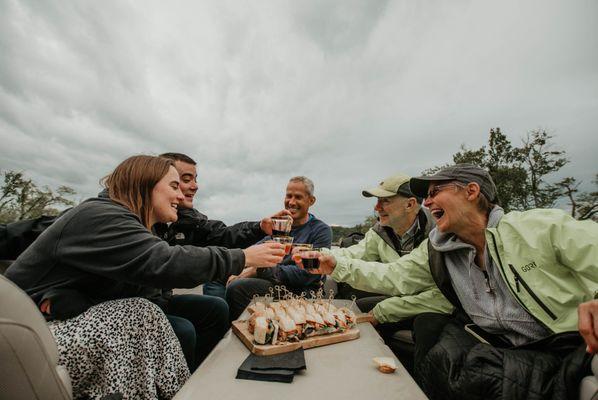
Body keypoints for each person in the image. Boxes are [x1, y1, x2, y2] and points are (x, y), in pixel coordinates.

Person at [299, 164, 598, 400]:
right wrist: (335, 263)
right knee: (441, 359)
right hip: (495, 342)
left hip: (562, 342)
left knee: (458, 353)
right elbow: (393, 276)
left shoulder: (536, 228)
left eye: (435, 192)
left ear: (471, 191)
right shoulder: (438, 248)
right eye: (425, 195)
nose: (427, 201)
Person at [5, 155, 285, 394]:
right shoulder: (100, 216)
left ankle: (189, 388)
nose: (181, 195)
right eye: (174, 185)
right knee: (141, 313)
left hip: (66, 322)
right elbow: (163, 261)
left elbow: (198, 243)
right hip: (33, 336)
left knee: (168, 310)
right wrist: (243, 258)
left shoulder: (135, 222)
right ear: (145, 185)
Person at [327, 173, 452, 371]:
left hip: (435, 302)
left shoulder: (439, 235)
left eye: (385, 201)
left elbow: (441, 293)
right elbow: (353, 254)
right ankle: (363, 369)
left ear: (410, 204)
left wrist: (385, 310)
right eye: (377, 201)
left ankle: (418, 387)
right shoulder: (381, 231)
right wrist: (318, 255)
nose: (377, 208)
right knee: (359, 306)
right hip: (403, 295)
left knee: (427, 324)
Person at [155, 152, 289, 299]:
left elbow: (221, 234)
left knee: (216, 307)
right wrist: (244, 257)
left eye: (195, 179)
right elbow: (171, 261)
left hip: (160, 297)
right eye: (185, 180)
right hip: (141, 304)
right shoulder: (137, 221)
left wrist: (259, 228)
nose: (196, 186)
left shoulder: (188, 219)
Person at [225, 176, 332, 320]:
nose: (291, 202)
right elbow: (256, 248)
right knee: (220, 274)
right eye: (289, 196)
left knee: (238, 288)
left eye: (298, 197)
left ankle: (242, 331)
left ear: (311, 201)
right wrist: (239, 264)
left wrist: (258, 270)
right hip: (272, 280)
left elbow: (308, 274)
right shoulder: (281, 225)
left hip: (301, 289)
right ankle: (222, 330)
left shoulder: (321, 230)